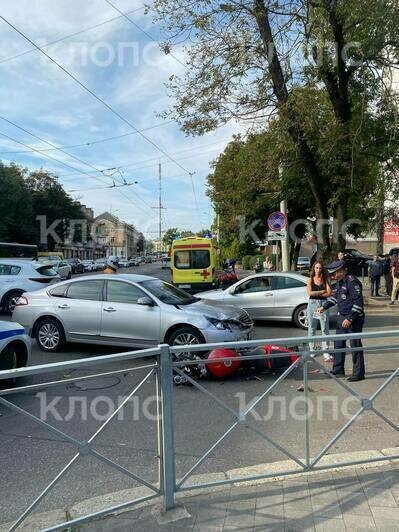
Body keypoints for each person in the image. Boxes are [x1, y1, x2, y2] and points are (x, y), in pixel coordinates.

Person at [318, 260, 365, 382]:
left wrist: (350, 318)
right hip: (342, 317)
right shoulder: (340, 282)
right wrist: (324, 307)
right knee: (339, 344)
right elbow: (335, 298)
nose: (332, 276)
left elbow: (358, 303)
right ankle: (338, 369)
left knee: (355, 346)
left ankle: (358, 373)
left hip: (353, 319)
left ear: (341, 271)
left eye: (334, 274)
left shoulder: (352, 282)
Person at [306, 261, 332, 361]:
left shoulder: (326, 279)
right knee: (312, 328)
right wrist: (322, 291)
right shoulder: (310, 280)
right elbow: (310, 293)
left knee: (324, 328)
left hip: (323, 305)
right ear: (314, 269)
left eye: (320, 268)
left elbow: (329, 293)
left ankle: (326, 351)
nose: (318, 270)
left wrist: (316, 293)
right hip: (312, 304)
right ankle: (312, 350)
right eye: (316, 268)